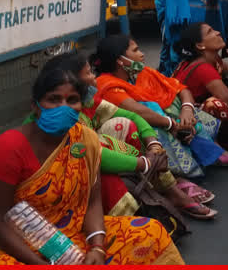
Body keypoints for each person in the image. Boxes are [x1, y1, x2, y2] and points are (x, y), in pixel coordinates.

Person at [0, 67, 185, 265]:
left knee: (151, 232)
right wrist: (39, 264)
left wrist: (97, 247)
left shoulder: (85, 139)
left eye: (72, 100)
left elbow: (92, 202)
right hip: (16, 245)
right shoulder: (9, 146)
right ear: (35, 106)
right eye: (54, 100)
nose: (63, 108)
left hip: (72, 235)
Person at [35, 52, 218, 220]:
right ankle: (149, 202)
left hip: (96, 163)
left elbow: (134, 116)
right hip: (71, 179)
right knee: (105, 151)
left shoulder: (87, 102)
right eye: (89, 73)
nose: (94, 78)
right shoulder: (62, 117)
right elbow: (95, 154)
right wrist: (145, 162)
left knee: (126, 124)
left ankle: (167, 191)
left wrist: (153, 144)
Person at [91, 34, 228, 179]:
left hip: (171, 121)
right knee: (155, 117)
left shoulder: (143, 73)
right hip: (144, 131)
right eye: (135, 51)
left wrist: (186, 110)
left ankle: (214, 152)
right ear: (120, 61)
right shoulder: (107, 85)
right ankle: (174, 176)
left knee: (176, 105)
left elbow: (180, 88)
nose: (142, 54)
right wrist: (172, 124)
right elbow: (138, 111)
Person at [172, 22, 228, 154]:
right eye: (210, 32)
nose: (217, 32)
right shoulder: (202, 68)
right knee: (217, 105)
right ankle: (224, 143)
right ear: (200, 45)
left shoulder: (214, 59)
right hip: (188, 117)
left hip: (197, 110)